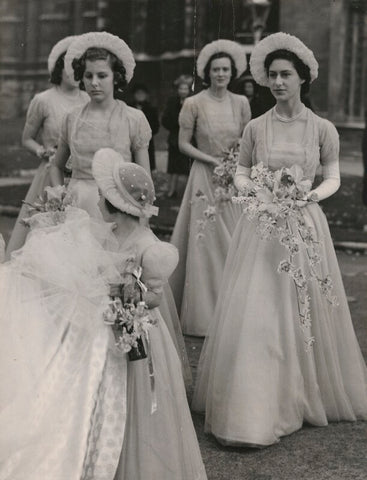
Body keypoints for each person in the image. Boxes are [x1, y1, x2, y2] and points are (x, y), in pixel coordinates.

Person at [192, 32, 367, 447]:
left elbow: (334, 177)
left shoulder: (323, 129)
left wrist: (307, 196)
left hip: (304, 224)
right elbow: (241, 170)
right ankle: (255, 403)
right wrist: (255, 189)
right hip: (263, 225)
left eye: (286, 75)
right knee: (259, 308)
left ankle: (304, 391)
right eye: (272, 75)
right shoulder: (255, 126)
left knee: (300, 307)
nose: (278, 82)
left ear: (303, 78)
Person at [0, 151, 207, 479]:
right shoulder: (109, 233)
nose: (96, 199)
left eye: (100, 195)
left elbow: (154, 296)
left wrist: (126, 298)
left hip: (134, 332)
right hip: (104, 329)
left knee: (137, 403)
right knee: (91, 395)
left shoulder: (151, 248)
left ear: (116, 203)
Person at [169, 39, 251, 336]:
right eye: (215, 69)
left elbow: (247, 138)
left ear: (232, 73)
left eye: (225, 69)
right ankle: (203, 315)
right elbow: (182, 144)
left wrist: (233, 160)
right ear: (207, 72)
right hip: (204, 176)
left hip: (231, 177)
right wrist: (211, 160)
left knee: (233, 240)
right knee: (206, 241)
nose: (220, 74)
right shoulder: (193, 103)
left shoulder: (241, 103)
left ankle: (232, 312)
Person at [49, 31, 151, 218]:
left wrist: (141, 215)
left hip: (118, 208)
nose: (94, 83)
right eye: (88, 76)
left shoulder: (133, 118)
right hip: (78, 208)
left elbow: (144, 178)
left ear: (116, 77)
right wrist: (60, 193)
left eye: (102, 75)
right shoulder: (71, 118)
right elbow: (56, 166)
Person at [5, 36, 88, 260]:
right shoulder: (43, 100)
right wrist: (42, 151)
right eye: (70, 68)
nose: (75, 74)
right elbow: (27, 138)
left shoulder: (88, 100)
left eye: (79, 68)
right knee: (46, 230)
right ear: (59, 69)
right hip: (50, 172)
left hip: (80, 174)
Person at [161, 74, 193, 198]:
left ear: (189, 90)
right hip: (175, 137)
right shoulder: (172, 102)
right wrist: (176, 125)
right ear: (177, 90)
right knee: (173, 166)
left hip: (190, 138)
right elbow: (165, 119)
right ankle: (171, 190)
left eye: (185, 89)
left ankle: (187, 192)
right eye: (181, 89)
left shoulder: (192, 102)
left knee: (187, 165)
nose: (183, 91)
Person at [128, 83, 160, 171]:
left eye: (142, 94)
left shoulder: (151, 109)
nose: (140, 96)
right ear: (134, 95)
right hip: (130, 140)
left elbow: (156, 126)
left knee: (145, 166)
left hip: (147, 141)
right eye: (138, 93)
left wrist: (145, 134)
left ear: (146, 95)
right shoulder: (128, 108)